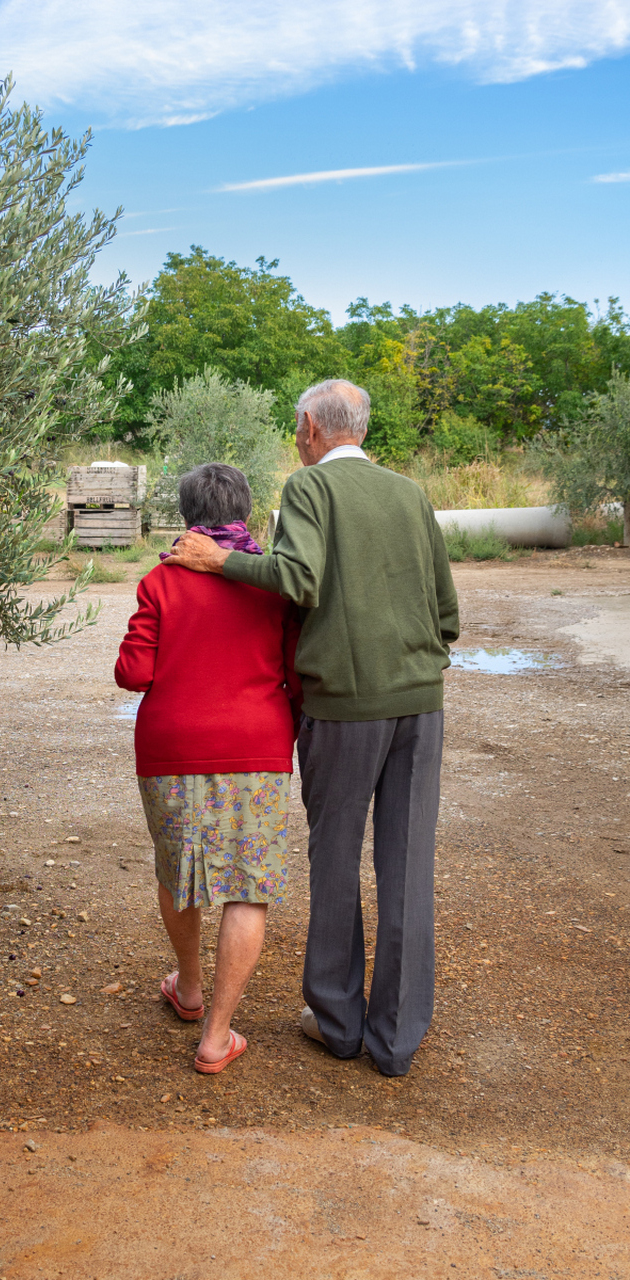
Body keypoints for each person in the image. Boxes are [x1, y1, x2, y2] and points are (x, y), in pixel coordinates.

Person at [163, 380, 460, 1078]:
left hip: (342, 707)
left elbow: (297, 577)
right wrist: (418, 663)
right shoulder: (411, 493)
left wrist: (220, 560)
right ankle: (395, 1042)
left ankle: (337, 1021)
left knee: (334, 861)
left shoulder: (308, 490)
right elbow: (447, 609)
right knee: (409, 867)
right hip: (421, 703)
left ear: (309, 430)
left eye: (297, 431)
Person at [115, 462, 301, 1074]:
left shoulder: (160, 580)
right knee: (246, 887)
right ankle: (217, 1037)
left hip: (171, 747)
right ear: (245, 509)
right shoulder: (272, 582)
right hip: (256, 745)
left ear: (187, 513)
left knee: (178, 872)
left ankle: (188, 990)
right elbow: (299, 674)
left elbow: (134, 674)